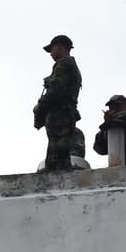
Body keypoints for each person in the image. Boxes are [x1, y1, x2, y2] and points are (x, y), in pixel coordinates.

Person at [33, 34, 82, 171]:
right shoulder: (70, 65)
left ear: (60, 47)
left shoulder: (64, 63)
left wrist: (40, 106)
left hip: (60, 115)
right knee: (58, 154)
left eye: (52, 49)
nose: (51, 54)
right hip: (64, 114)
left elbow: (56, 91)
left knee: (57, 157)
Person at [94, 94, 126, 165]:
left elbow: (122, 122)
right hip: (118, 166)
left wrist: (108, 122)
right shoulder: (109, 126)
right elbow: (99, 149)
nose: (113, 110)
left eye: (117, 106)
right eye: (111, 108)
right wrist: (105, 128)